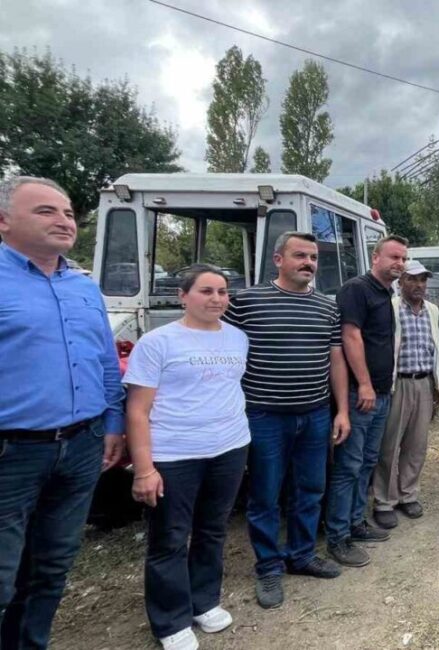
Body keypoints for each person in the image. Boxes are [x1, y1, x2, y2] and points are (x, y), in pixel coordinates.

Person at [0, 176, 125, 650]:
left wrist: (113, 423)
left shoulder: (83, 288)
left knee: (52, 566)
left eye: (69, 212)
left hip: (81, 445)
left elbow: (105, 362)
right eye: (46, 211)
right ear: (4, 221)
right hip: (12, 452)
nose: (64, 220)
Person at [124, 265, 251, 650]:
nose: (216, 299)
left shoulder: (237, 338)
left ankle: (204, 601)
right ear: (183, 296)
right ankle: (171, 620)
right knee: (171, 537)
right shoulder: (158, 342)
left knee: (213, 530)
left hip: (229, 448)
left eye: (223, 292)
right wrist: (144, 469)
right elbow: (137, 410)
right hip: (175, 454)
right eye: (206, 291)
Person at [223, 232, 350, 609]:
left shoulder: (327, 308)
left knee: (310, 489)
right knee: (265, 494)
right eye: (300, 255)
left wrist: (341, 410)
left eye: (312, 257)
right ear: (278, 259)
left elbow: (336, 360)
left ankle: (302, 554)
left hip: (313, 414)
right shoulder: (245, 302)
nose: (308, 263)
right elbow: (222, 347)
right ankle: (268, 566)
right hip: (264, 416)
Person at [326, 236, 407, 567]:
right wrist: (364, 384)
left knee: (367, 461)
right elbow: (350, 336)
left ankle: (356, 523)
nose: (399, 263)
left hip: (381, 393)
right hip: (362, 395)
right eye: (393, 257)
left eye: (403, 258)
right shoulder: (356, 289)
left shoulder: (386, 293)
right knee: (349, 465)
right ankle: (337, 537)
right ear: (375, 257)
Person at [370, 260, 439, 529]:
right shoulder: (389, 308)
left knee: (416, 445)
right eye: (412, 279)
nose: (419, 285)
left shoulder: (432, 310)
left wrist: (437, 384)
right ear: (401, 282)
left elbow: (436, 348)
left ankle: (408, 494)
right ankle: (384, 501)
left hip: (424, 383)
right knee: (389, 445)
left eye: (423, 280)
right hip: (397, 384)